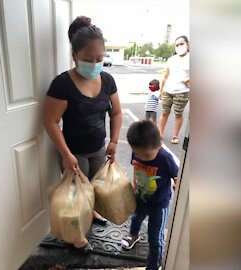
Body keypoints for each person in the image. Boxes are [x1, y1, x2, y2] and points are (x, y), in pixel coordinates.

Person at [43, 16, 122, 251]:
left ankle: (94, 213)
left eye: (100, 58)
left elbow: (116, 113)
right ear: (74, 55)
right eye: (88, 59)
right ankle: (77, 237)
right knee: (76, 197)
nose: (95, 63)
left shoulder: (107, 80)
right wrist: (66, 154)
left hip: (99, 147)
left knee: (95, 189)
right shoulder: (62, 84)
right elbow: (50, 120)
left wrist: (115, 141)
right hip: (73, 151)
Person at [121, 120, 178, 270]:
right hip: (141, 196)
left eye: (146, 155)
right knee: (136, 217)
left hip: (159, 203)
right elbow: (135, 166)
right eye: (138, 153)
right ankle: (134, 235)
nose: (142, 157)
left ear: (159, 145)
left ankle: (153, 265)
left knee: (155, 237)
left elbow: (177, 176)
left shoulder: (165, 158)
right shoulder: (138, 151)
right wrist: (134, 185)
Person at [159, 36, 190, 144]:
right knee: (164, 113)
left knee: (178, 114)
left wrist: (188, 79)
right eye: (177, 45)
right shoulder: (172, 59)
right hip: (168, 90)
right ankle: (160, 134)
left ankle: (175, 136)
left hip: (182, 91)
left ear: (187, 44)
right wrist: (161, 90)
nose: (179, 46)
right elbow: (166, 75)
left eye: (181, 44)